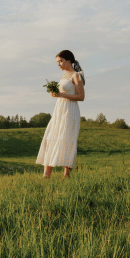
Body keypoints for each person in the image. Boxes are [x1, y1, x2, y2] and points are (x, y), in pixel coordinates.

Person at [35, 50, 85, 178]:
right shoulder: (64, 76)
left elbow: (81, 97)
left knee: (66, 138)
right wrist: (54, 93)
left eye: (61, 61)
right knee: (51, 137)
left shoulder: (76, 76)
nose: (59, 64)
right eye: (57, 62)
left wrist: (61, 95)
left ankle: (66, 175)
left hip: (70, 110)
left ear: (69, 60)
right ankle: (46, 174)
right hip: (59, 110)